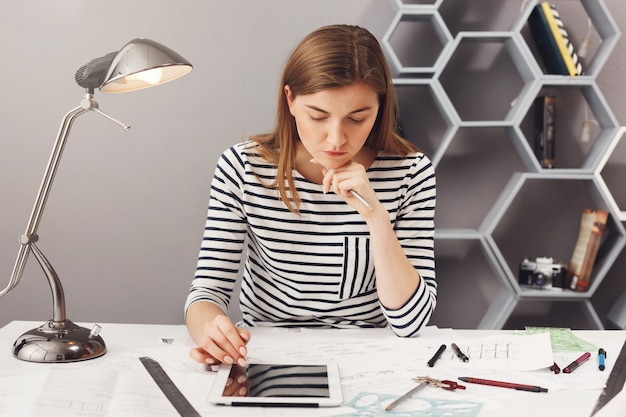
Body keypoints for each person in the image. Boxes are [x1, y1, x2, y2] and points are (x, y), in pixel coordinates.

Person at [185, 24, 437, 367]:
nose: (336, 139)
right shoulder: (242, 168)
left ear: (379, 108)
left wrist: (376, 217)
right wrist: (210, 331)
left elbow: (410, 322)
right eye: (318, 116)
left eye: (357, 118)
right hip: (265, 355)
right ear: (290, 100)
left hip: (371, 359)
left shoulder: (411, 173)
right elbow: (206, 293)